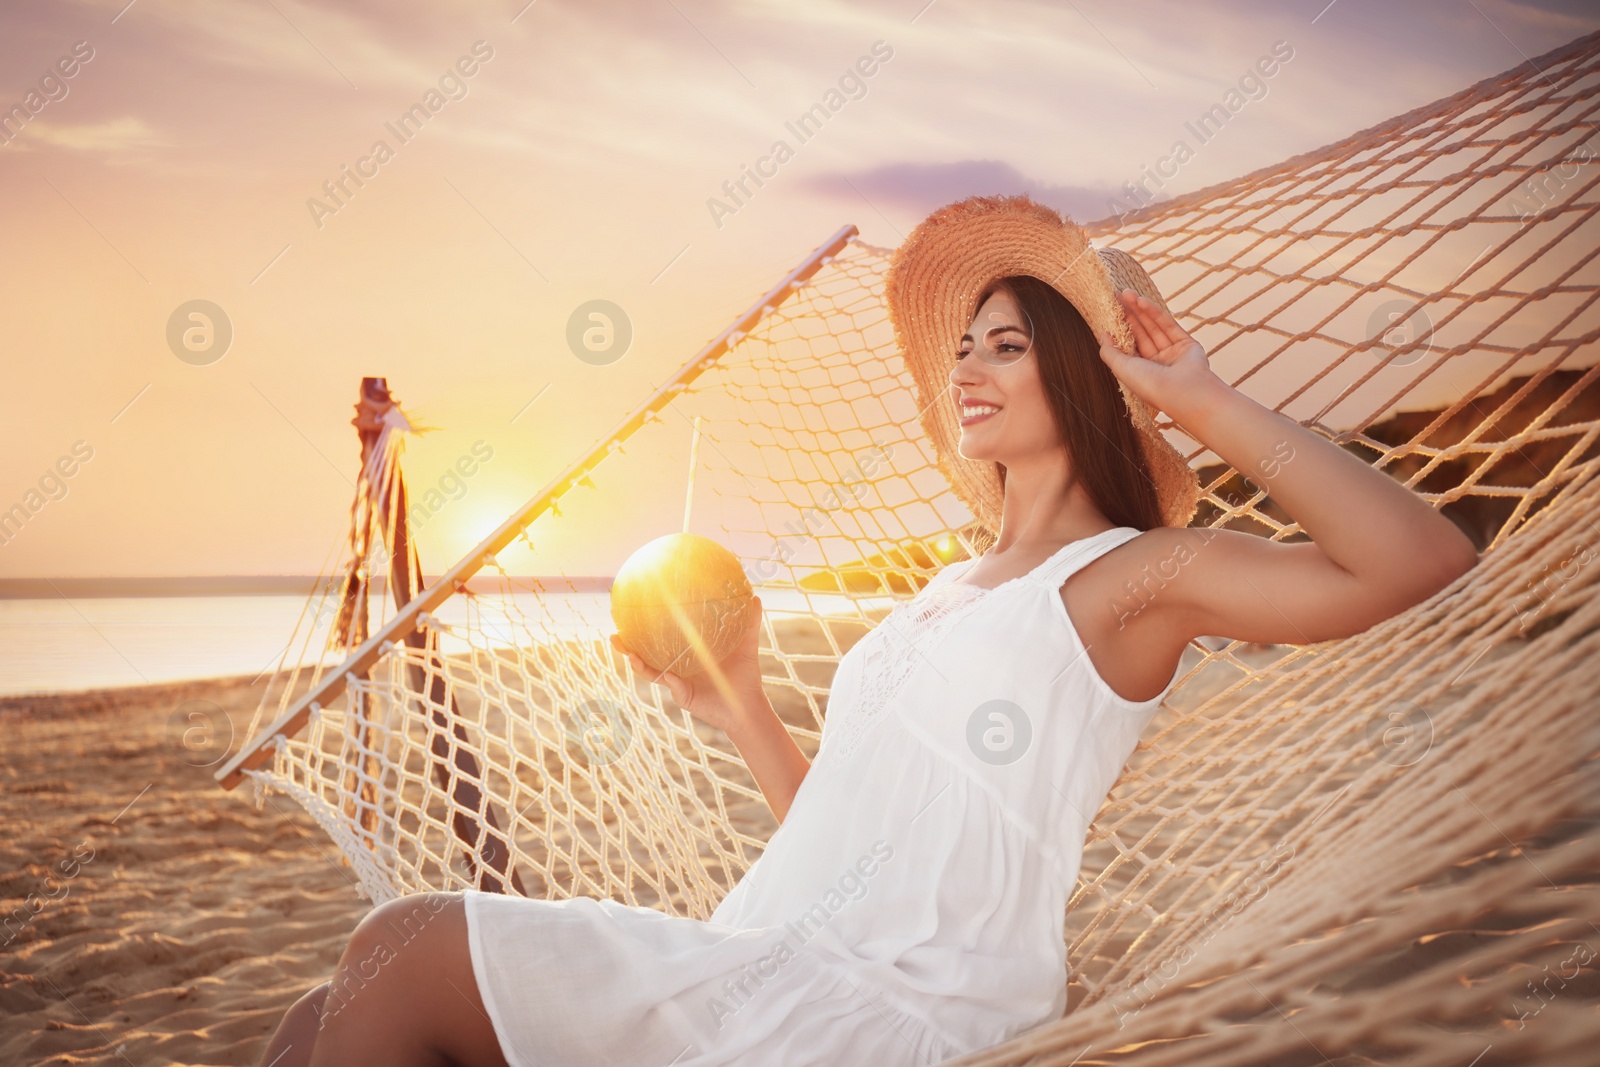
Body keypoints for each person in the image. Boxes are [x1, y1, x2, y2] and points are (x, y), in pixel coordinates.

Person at [256, 194, 1478, 1067]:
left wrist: (1201, 398)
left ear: (1088, 374)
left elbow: (1417, 558)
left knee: (400, 942)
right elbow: (847, 839)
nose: (967, 368)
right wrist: (737, 693)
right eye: (961, 348)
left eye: (1007, 343)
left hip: (897, 1007)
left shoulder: (1131, 576)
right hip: (771, 955)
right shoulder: (945, 591)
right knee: (311, 1019)